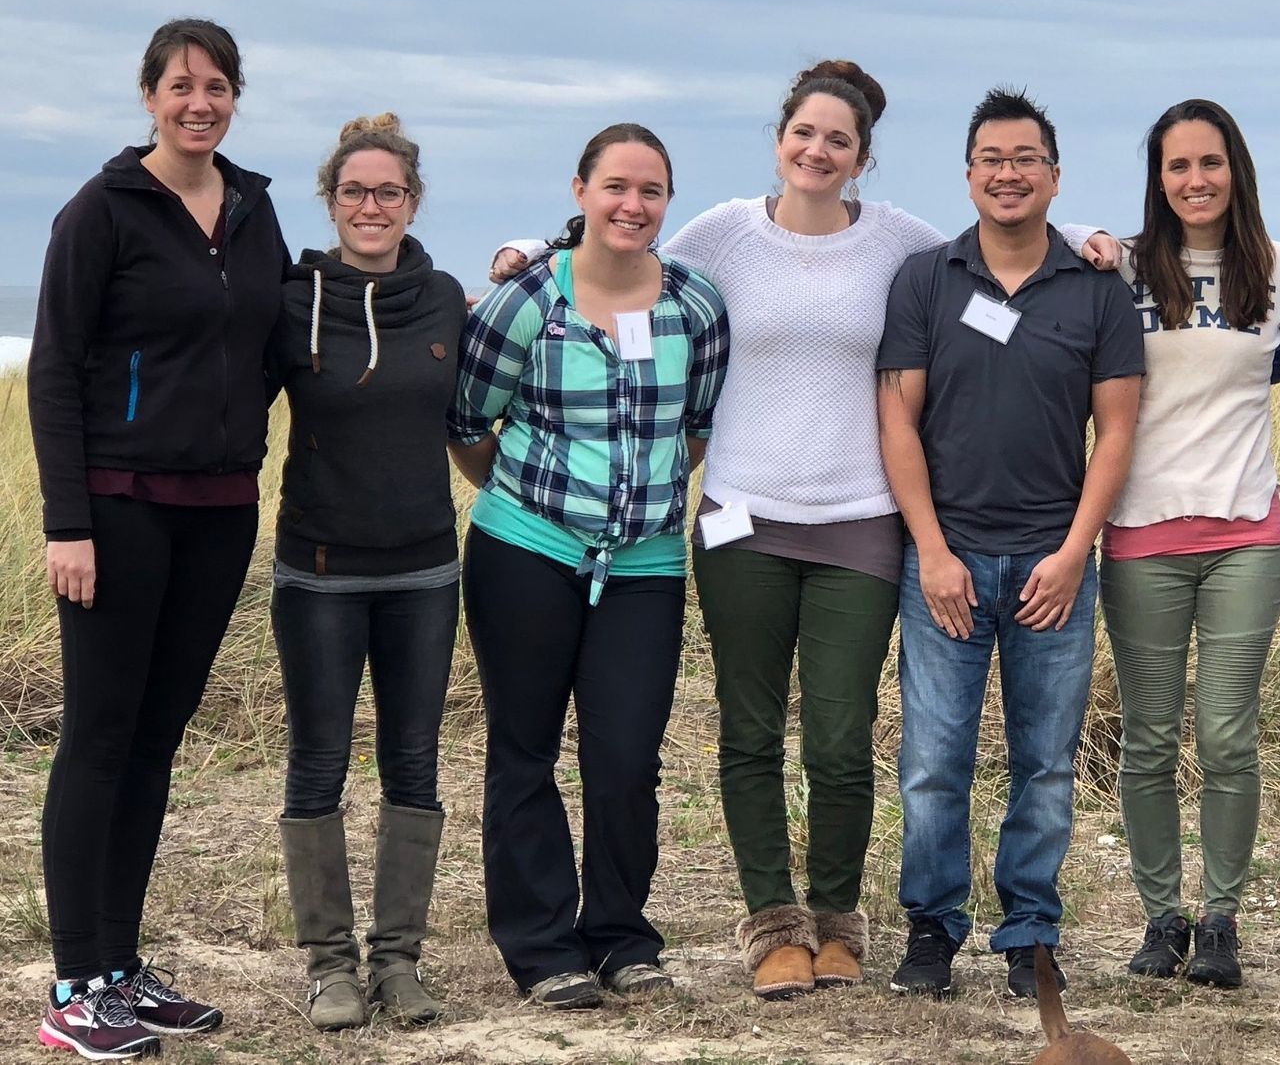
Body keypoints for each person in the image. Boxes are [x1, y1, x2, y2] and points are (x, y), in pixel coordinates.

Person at [667, 62, 1108, 1000]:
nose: (818, 150)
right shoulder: (721, 234)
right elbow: (628, 258)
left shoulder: (898, 245)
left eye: (839, 140)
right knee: (749, 730)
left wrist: (1094, 238)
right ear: (780, 137)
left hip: (861, 524)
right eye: (805, 134)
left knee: (839, 732)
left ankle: (836, 920)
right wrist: (518, 250)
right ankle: (774, 925)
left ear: (863, 157)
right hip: (741, 514)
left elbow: (1006, 238)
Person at [29, 18, 286, 1060]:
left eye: (217, 85)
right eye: (181, 85)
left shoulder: (254, 209)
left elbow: (272, 339)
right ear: (149, 96)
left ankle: (123, 968)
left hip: (219, 512)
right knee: (98, 736)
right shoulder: (102, 212)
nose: (200, 102)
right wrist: (67, 522)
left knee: (155, 740)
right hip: (118, 509)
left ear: (234, 98)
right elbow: (54, 371)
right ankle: (74, 983)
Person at [448, 123, 729, 1010]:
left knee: (627, 757)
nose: (631, 205)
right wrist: (540, 504)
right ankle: (542, 949)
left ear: (666, 204)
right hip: (524, 552)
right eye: (615, 187)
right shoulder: (526, 300)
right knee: (524, 751)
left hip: (645, 566)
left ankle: (619, 935)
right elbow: (465, 423)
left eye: (650, 191)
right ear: (580, 192)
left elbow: (696, 430)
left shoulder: (697, 306)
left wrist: (629, 508)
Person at [877, 87, 1143, 999]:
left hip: (1053, 565)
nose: (1008, 173)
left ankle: (1030, 930)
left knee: (1045, 761)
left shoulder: (1098, 288)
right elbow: (897, 422)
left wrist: (1074, 554)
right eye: (992, 158)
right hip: (944, 562)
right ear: (968, 174)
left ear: (1055, 175)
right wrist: (933, 551)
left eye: (1026, 158)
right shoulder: (925, 278)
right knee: (933, 760)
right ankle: (931, 928)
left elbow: (1114, 432)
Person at [1097, 99, 1280, 990]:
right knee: (1151, 740)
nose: (1195, 180)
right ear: (1157, 179)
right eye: (1176, 166)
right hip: (1139, 538)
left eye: (1210, 162)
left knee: (1230, 737)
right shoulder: (1116, 266)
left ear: (1236, 167)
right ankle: (1162, 917)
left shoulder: (1279, 269)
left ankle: (1222, 920)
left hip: (1247, 536)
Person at [271, 114, 467, 1031]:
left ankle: (397, 962)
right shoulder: (290, 299)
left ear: (413, 203)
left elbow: (484, 408)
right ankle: (329, 967)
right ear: (332, 199)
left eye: (389, 191)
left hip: (425, 568)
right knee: (317, 763)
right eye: (355, 190)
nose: (372, 206)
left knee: (414, 759)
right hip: (317, 569)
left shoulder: (445, 299)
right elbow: (221, 395)